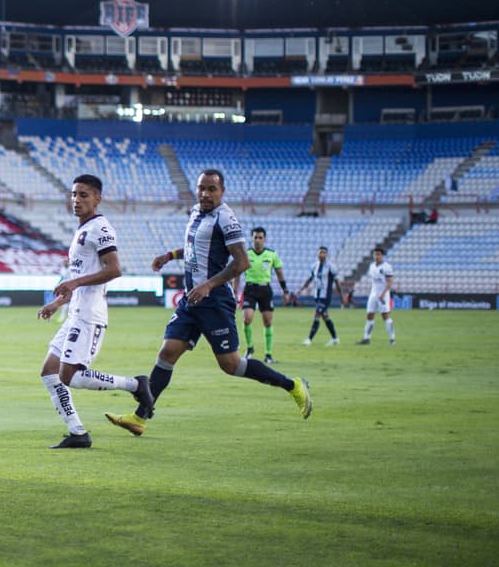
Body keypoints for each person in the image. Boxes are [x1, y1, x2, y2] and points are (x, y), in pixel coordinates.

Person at [105, 169, 311, 436]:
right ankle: (139, 418)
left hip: (214, 301)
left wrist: (208, 284)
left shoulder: (226, 219)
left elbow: (241, 262)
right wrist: (170, 255)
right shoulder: (195, 212)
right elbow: (195, 249)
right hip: (193, 300)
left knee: (231, 365)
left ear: (222, 191)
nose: (205, 193)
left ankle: (292, 385)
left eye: (212, 189)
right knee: (167, 353)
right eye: (202, 188)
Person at [37, 174, 152, 449]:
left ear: (97, 199)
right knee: (49, 371)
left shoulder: (101, 229)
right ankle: (78, 432)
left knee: (70, 376)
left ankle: (136, 385)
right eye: (74, 194)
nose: (76, 200)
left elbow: (114, 269)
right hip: (76, 311)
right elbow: (80, 275)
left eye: (83, 195)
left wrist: (74, 282)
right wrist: (58, 303)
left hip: (90, 315)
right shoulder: (81, 230)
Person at [237, 226, 290, 364]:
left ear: (264, 239)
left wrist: (285, 290)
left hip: (265, 290)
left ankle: (268, 354)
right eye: (255, 237)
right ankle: (249, 348)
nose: (258, 240)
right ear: (252, 238)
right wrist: (234, 291)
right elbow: (236, 273)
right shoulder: (246, 254)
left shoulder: (272, 254)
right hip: (250, 289)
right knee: (247, 318)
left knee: (267, 322)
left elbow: (279, 273)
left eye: (260, 237)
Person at [297, 246, 341, 347]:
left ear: (327, 254)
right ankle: (335, 338)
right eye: (320, 252)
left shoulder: (331, 267)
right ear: (317, 254)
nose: (322, 254)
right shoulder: (314, 266)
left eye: (324, 253)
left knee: (317, 315)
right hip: (317, 296)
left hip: (326, 297)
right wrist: (301, 289)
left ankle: (309, 339)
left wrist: (341, 294)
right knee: (325, 317)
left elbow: (337, 281)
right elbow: (310, 278)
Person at [358, 246, 396, 346]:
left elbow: (389, 282)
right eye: (375, 254)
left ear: (382, 256)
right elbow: (374, 281)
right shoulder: (372, 266)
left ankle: (392, 339)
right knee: (369, 315)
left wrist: (383, 294)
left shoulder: (387, 267)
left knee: (385, 315)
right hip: (373, 294)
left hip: (383, 294)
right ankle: (366, 339)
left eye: (379, 254)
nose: (377, 256)